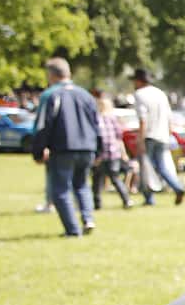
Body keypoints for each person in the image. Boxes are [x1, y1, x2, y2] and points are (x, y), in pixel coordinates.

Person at [30, 57, 101, 237]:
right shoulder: (86, 95)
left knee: (60, 190)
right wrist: (99, 149)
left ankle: (72, 229)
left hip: (63, 148)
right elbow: (96, 124)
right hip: (87, 147)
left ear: (51, 75)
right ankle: (88, 219)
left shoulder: (51, 95)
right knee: (82, 185)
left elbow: (42, 125)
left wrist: (38, 151)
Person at [130, 68, 185, 205]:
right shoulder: (160, 93)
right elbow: (169, 115)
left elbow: (143, 119)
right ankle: (177, 187)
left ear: (138, 81)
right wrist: (169, 132)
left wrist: (140, 139)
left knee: (146, 167)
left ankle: (149, 198)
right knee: (162, 166)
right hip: (162, 135)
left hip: (149, 135)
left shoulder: (139, 94)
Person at [90, 89, 133, 208]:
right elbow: (119, 138)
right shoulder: (113, 119)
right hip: (113, 154)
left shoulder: (97, 119)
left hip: (101, 154)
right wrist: (123, 153)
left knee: (97, 180)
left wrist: (96, 155)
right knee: (114, 178)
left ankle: (97, 203)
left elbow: (98, 138)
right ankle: (126, 200)